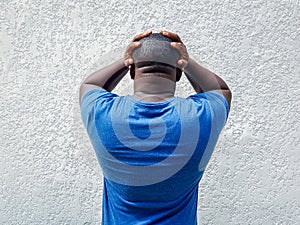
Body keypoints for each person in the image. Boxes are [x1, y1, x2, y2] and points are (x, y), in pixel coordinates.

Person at [80, 30, 231, 225]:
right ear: (179, 74)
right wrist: (187, 63)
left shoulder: (104, 113)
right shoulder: (198, 117)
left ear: (132, 71)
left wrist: (125, 61)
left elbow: (90, 85)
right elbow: (220, 91)